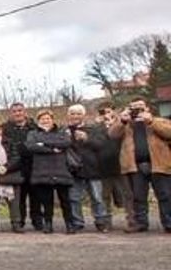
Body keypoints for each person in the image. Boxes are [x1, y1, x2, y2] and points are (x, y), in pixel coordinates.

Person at [108, 98, 171, 233]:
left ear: (147, 108)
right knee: (138, 196)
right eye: (134, 108)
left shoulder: (159, 120)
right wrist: (122, 120)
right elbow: (112, 134)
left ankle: (168, 222)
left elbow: (169, 132)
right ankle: (141, 223)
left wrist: (151, 122)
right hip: (135, 165)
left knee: (165, 195)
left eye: (140, 107)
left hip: (159, 163)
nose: (137, 110)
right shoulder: (126, 125)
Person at [25, 110, 75, 234]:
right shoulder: (33, 133)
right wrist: (53, 150)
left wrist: (44, 143)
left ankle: (69, 224)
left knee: (65, 200)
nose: (45, 121)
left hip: (60, 170)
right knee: (47, 201)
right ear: (38, 121)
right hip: (42, 171)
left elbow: (66, 143)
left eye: (47, 118)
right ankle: (48, 223)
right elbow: (31, 146)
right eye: (42, 119)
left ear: (52, 119)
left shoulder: (61, 131)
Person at [65, 104, 111, 232]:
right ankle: (77, 222)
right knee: (74, 198)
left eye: (78, 113)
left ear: (83, 115)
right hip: (74, 170)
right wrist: (66, 139)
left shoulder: (93, 129)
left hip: (92, 169)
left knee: (97, 198)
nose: (75, 116)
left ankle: (101, 221)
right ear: (68, 115)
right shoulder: (64, 131)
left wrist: (87, 138)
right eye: (72, 113)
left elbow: (102, 145)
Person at [1, 103, 37, 229]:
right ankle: (19, 221)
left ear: (25, 112)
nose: (18, 113)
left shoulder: (34, 127)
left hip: (33, 165)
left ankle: (37, 220)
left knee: (35, 195)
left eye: (20, 110)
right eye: (15, 111)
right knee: (18, 197)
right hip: (15, 167)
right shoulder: (5, 129)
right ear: (11, 113)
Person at [95, 106, 131, 229]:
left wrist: (115, 123)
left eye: (109, 111)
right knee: (104, 197)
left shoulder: (123, 125)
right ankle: (106, 223)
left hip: (121, 166)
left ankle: (131, 221)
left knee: (127, 195)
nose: (106, 115)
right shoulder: (97, 128)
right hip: (103, 167)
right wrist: (100, 126)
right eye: (103, 112)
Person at [0, 122, 22, 233]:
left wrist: (6, 167)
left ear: (0, 130)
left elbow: (16, 157)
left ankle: (16, 224)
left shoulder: (10, 142)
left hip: (10, 174)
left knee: (14, 202)